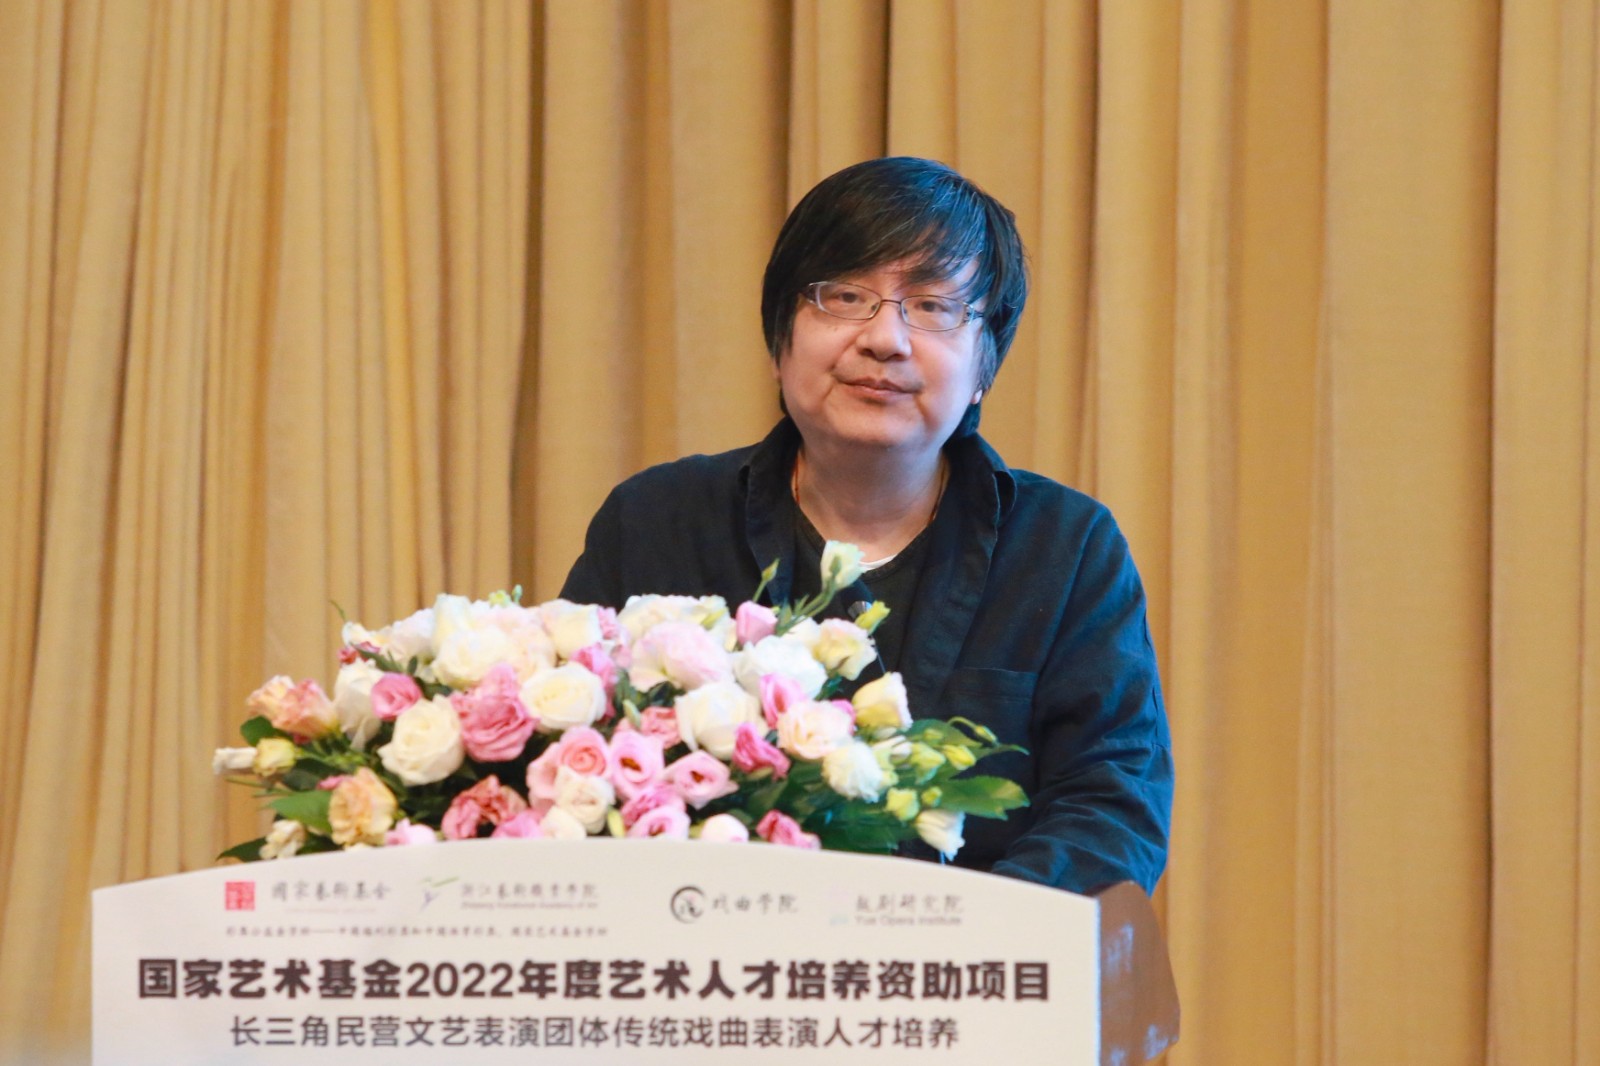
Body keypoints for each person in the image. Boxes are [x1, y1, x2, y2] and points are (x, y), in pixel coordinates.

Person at [562, 157, 1172, 895]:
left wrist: (958, 939)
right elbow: (569, 764)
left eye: (934, 306)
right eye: (846, 297)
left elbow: (1111, 807)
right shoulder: (657, 521)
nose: (886, 339)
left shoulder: (1064, 549)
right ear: (781, 338)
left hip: (981, 961)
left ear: (985, 366)